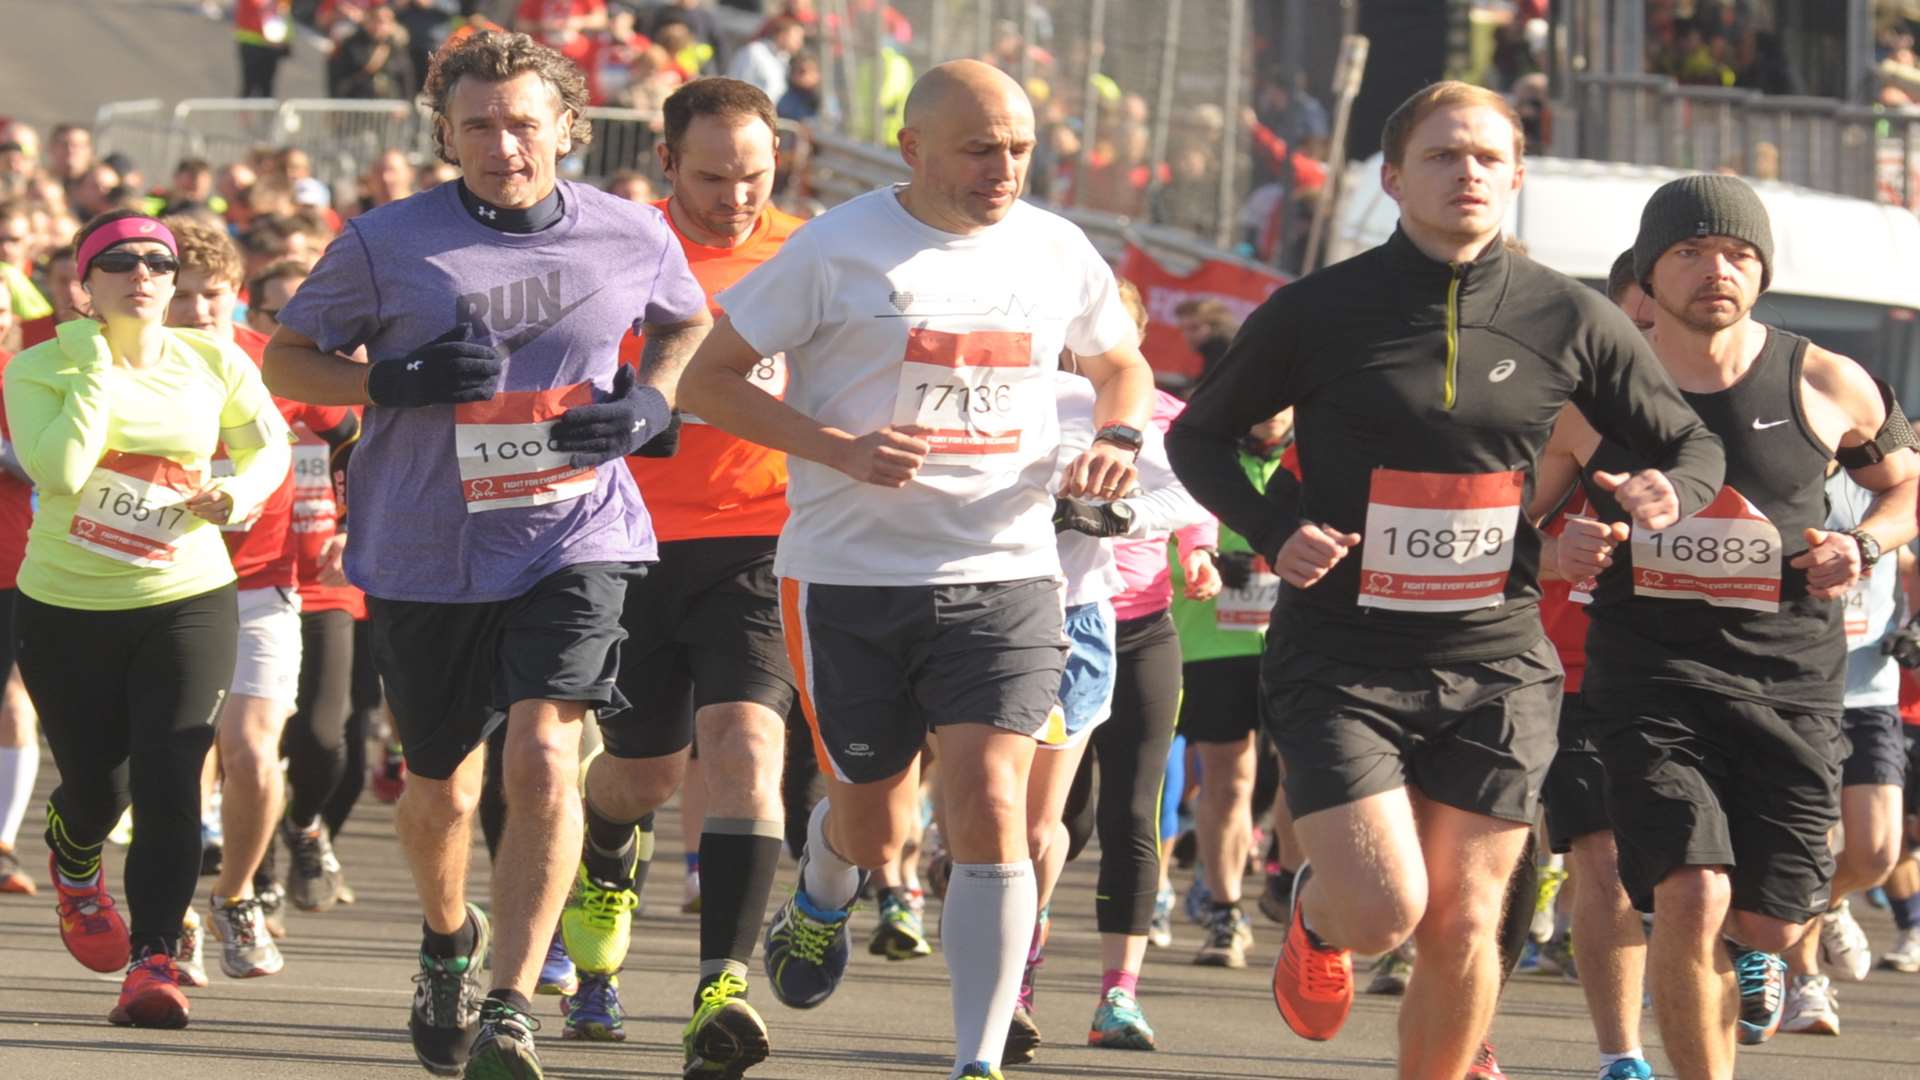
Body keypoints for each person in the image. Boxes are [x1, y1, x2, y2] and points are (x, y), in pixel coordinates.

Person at [1165, 81, 1726, 1079]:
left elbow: (1687, 440)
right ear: (1391, 178)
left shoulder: (1567, 315)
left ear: (1514, 176)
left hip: (1497, 660)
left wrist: (1665, 492)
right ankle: (1317, 914)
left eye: (1486, 157)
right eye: (1442, 155)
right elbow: (1200, 437)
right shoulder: (1318, 310)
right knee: (1385, 911)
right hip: (1342, 656)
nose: (1466, 172)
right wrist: (1277, 524)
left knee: (1467, 922)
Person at [677, 58, 1155, 1080]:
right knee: (876, 822)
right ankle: (824, 880)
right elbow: (708, 383)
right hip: (848, 577)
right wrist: (833, 446)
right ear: (915, 148)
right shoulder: (837, 247)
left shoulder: (1055, 247)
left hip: (1009, 568)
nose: (1004, 168)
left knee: (992, 806)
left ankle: (975, 1060)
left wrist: (1115, 430)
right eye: (981, 147)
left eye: (1021, 148)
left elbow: (1121, 359)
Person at [263, 30, 711, 1080]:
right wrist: (395, 381)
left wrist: (649, 402)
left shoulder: (632, 234)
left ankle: (512, 999)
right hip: (425, 545)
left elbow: (688, 326)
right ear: (445, 134)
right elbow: (290, 354)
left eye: (523, 122)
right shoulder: (385, 241)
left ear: (568, 127)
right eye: (478, 126)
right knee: (443, 793)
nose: (503, 144)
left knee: (547, 752)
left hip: (576, 532)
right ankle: (444, 942)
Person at [1533, 174, 1918, 1080]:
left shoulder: (1823, 377)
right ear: (1651, 273)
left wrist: (1862, 544)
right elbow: (1525, 517)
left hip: (1792, 684)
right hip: (1650, 682)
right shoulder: (1594, 397)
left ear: (1763, 270)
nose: (1718, 270)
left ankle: (1775, 945)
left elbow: (1906, 485)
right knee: (1691, 891)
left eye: (1739, 253)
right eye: (1691, 252)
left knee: (1772, 921)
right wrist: (1562, 543)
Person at [554, 76, 804, 1072]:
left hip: (763, 537)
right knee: (645, 773)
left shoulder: (808, 254)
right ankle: (607, 853)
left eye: (754, 175)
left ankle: (720, 988)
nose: (736, 198)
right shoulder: (613, 245)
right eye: (711, 177)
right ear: (666, 162)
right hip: (629, 537)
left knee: (747, 741)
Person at [8, 209, 291, 1028]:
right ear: (83, 285)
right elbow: (58, 473)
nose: (144, 275)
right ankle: (73, 846)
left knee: (172, 775)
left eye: (159, 263)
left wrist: (236, 493)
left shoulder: (216, 358)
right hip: (68, 606)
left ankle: (154, 959)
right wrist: (99, 362)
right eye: (121, 262)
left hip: (187, 596)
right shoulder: (40, 368)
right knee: (102, 788)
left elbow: (266, 446)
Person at [1007, 282, 1215, 1063]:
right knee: (1059, 822)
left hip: (1138, 630)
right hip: (1038, 622)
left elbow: (1196, 497)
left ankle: (1116, 997)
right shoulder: (1037, 400)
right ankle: (1015, 976)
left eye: (1115, 332)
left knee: (1134, 812)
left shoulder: (1162, 414)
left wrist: (1192, 548)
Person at [163, 218, 360, 976]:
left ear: (237, 297)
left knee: (251, 750)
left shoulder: (267, 364)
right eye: (181, 296)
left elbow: (348, 436)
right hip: (161, 587)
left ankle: (236, 897)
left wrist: (350, 521)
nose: (198, 310)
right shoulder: (128, 369)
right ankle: (171, 915)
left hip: (263, 582)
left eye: (212, 295)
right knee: (179, 763)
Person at [1529, 248, 1659, 1080]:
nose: (1649, 332)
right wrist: (1554, 546)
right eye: (1636, 317)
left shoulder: (1753, 398)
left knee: (1694, 876)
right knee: (1603, 862)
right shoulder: (1577, 414)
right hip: (1571, 673)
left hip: (1693, 675)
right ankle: (1624, 1055)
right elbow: (1502, 532)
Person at [1776, 465, 1916, 1034]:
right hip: (1794, 689)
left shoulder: (1885, 482)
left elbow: (1908, 559)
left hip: (1871, 691)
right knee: (1808, 846)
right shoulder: (1777, 465)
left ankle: (1828, 903)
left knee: (1878, 855)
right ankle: (1806, 983)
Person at [0, 280, 40, 898]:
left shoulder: (26, 376)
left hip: (15, 563)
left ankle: (3, 844)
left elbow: (61, 462)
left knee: (14, 699)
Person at [727, 16, 804, 104]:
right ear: (782, 35)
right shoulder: (754, 52)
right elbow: (738, 85)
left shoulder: (784, 59)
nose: (799, 43)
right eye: (796, 37)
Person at [235, 0, 294, 98]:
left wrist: (285, 38)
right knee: (249, 83)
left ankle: (267, 112)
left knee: (267, 84)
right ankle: (243, 112)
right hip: (251, 41)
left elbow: (284, 13)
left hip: (273, 42)